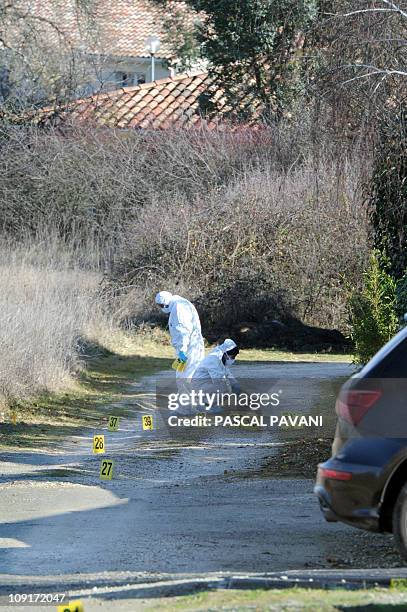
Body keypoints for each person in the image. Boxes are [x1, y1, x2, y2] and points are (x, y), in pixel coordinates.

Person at [155, 291, 205, 385]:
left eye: (161, 305)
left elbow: (183, 331)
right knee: (187, 375)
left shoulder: (179, 308)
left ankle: (187, 399)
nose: (161, 308)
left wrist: (182, 350)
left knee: (185, 377)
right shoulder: (179, 303)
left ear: (165, 303)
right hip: (191, 345)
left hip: (189, 347)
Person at [191, 338, 240, 410]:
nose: (233, 359)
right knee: (224, 389)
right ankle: (204, 405)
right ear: (226, 354)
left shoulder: (221, 357)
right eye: (232, 357)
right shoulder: (214, 359)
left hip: (205, 384)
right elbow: (219, 381)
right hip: (199, 386)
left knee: (227, 388)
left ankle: (211, 404)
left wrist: (236, 385)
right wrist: (232, 393)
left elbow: (227, 373)